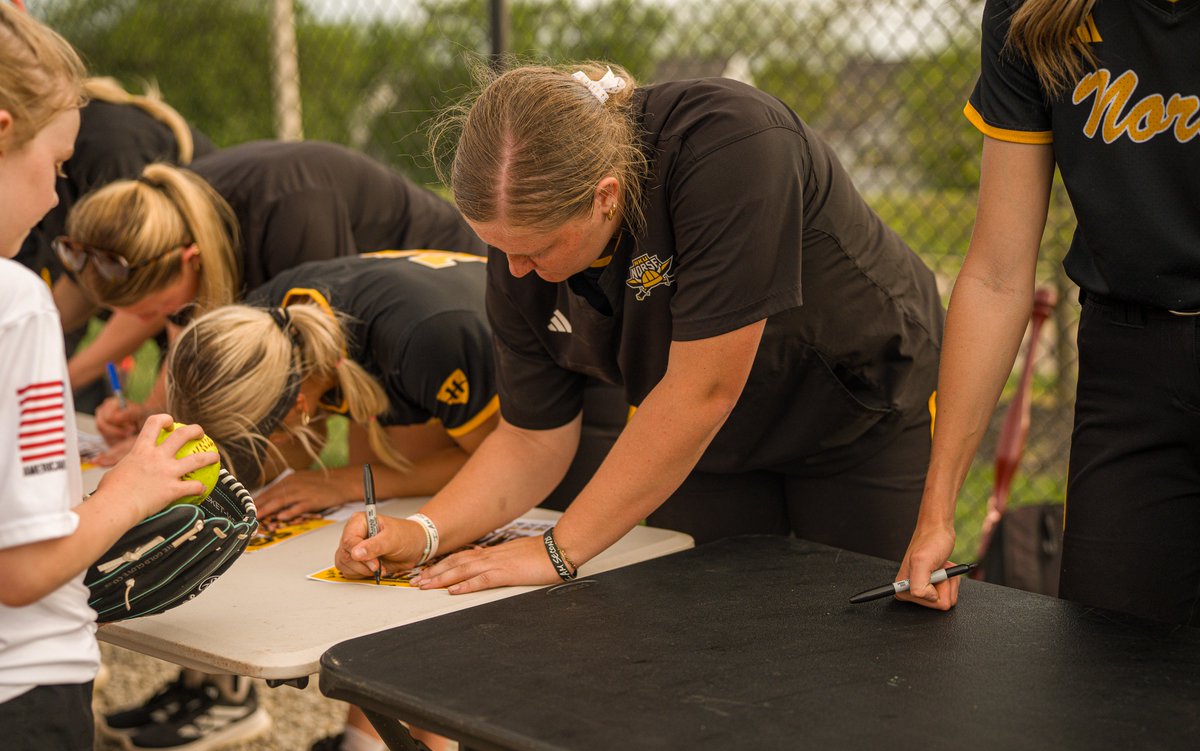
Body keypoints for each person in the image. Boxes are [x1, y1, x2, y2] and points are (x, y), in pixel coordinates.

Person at [335, 62, 944, 594]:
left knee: (867, 638)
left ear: (606, 198)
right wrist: (424, 532)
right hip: (704, 441)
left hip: (854, 404)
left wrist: (558, 550)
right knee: (703, 631)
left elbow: (702, 391)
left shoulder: (730, 144)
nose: (514, 270)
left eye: (536, 249)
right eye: (497, 247)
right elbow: (532, 438)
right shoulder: (518, 251)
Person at [101, 251, 494, 751]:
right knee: (382, 520)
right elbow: (306, 461)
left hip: (537, 373)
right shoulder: (263, 327)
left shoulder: (419, 343)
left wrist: (340, 481)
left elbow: (492, 465)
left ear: (298, 407)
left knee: (433, 544)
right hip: (408, 341)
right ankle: (377, 750)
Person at [896, 0, 1200, 624]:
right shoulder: (1034, 13)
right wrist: (937, 512)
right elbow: (998, 275)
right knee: (1106, 674)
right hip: (1131, 371)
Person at [0, 7, 219, 751]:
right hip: (23, 693)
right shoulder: (16, 302)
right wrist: (131, 491)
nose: (58, 195)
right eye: (57, 165)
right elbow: (21, 572)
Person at [59, 139, 485, 448]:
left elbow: (318, 385)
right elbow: (180, 331)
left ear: (191, 259)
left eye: (157, 309)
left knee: (403, 460)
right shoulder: (165, 216)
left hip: (445, 291)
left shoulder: (290, 219)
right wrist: (154, 417)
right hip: (376, 306)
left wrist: (343, 481)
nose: (154, 321)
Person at [13, 75, 216, 411]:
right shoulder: (63, 161)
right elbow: (80, 287)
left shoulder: (108, 148)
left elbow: (152, 292)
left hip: (198, 299)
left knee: (187, 415)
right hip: (167, 301)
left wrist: (59, 382)